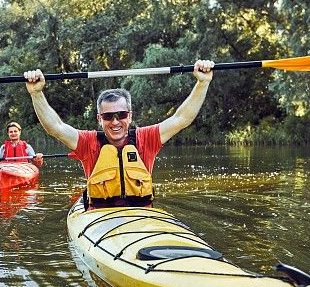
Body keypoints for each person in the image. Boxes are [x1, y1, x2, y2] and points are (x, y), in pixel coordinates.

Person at [23, 59, 214, 208]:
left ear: (129, 116)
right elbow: (55, 127)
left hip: (141, 215)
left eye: (121, 115)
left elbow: (181, 119)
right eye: (108, 117)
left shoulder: (146, 138)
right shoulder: (88, 142)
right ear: (99, 119)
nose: (115, 122)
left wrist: (202, 83)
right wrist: (36, 93)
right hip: (100, 219)